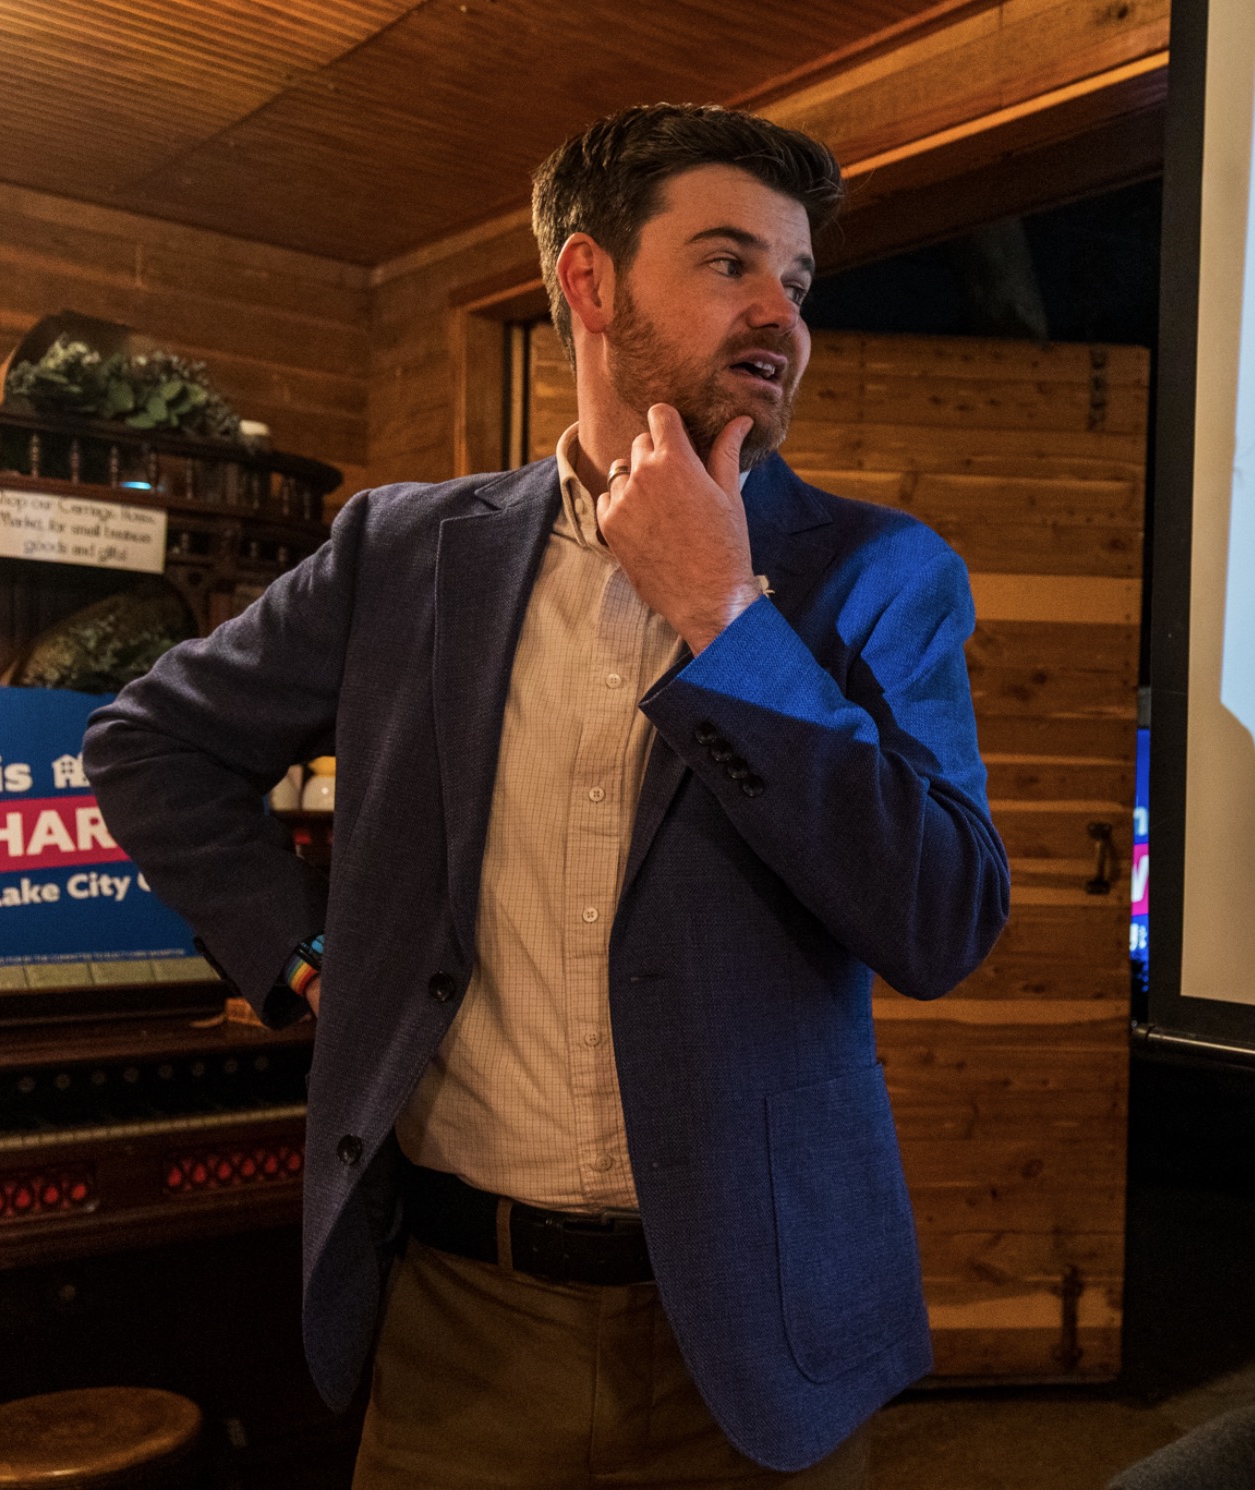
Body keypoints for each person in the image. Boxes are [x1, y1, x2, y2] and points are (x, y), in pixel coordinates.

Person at [83, 103, 1009, 1487]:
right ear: (587, 282)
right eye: (728, 263)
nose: (780, 314)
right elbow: (148, 740)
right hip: (462, 1326)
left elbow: (940, 919)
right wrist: (302, 953)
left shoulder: (883, 573)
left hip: (757, 1340)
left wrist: (725, 613)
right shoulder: (402, 552)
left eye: (797, 282)